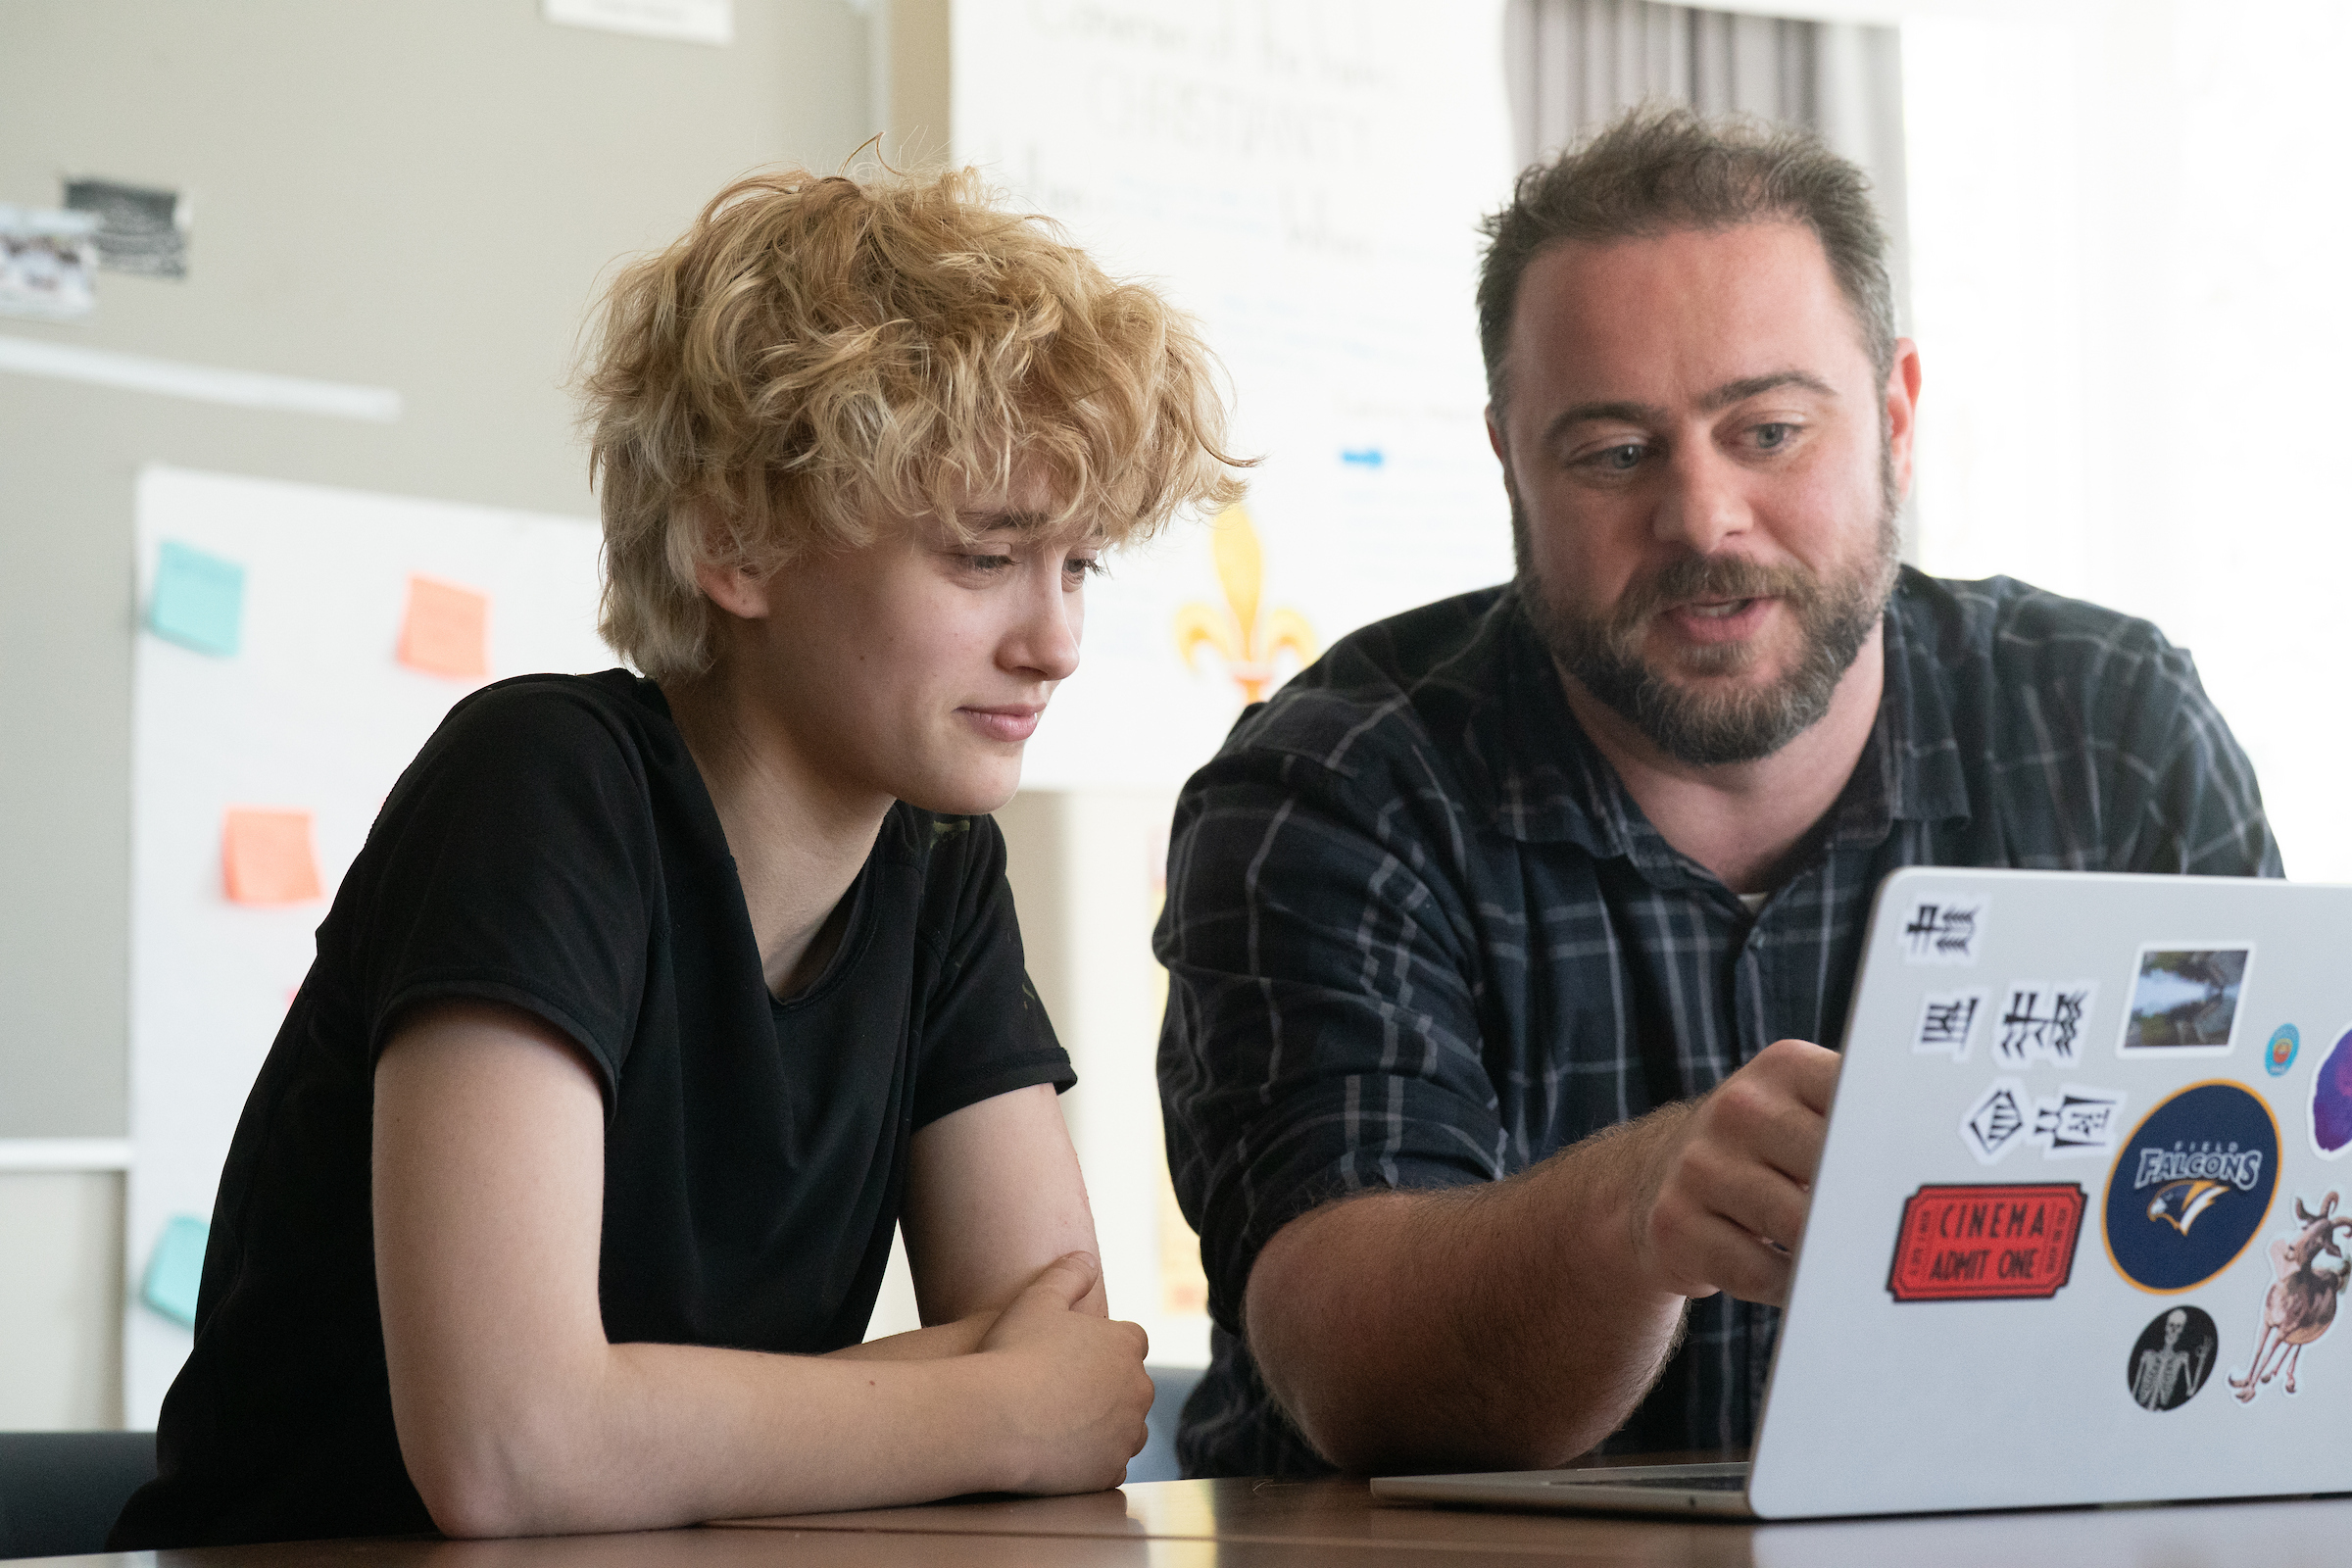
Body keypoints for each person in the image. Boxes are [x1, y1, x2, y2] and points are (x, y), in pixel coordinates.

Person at [112, 164, 1244, 1547]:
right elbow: (509, 1453)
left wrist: (661, 1421)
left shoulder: (941, 870)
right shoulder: (539, 788)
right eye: (982, 556)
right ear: (736, 542)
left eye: (1080, 567)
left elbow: (1076, 1381)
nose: (1055, 642)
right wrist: (987, 1407)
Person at [1154, 108, 2278, 1479]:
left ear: (1897, 418)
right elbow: (1352, 1381)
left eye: (1771, 431)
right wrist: (1635, 1216)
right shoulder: (1335, 792)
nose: (1702, 519)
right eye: (1615, 454)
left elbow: (2264, 1229)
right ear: (1511, 462)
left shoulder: (2113, 733)